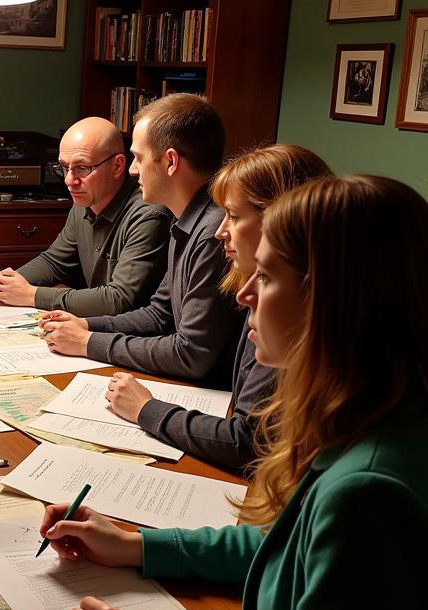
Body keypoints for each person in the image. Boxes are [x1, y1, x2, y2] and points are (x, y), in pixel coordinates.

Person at [41, 175, 428, 610]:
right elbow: (290, 548)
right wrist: (139, 544)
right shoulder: (386, 417)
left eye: (265, 276)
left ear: (332, 301)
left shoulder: (374, 496)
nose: (242, 294)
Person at [105, 144, 332, 470]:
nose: (220, 230)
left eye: (234, 216)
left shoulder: (291, 311)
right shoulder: (247, 281)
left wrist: (148, 410)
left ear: (280, 218)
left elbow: (248, 441)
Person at [42, 93, 241, 388]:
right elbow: (158, 314)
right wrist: (85, 325)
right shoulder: (185, 220)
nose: (133, 170)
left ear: (171, 161)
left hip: (208, 397)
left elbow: (191, 355)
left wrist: (88, 343)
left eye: (138, 158)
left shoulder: (213, 233)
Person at [0, 116, 170, 317]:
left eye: (82, 168)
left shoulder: (149, 214)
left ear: (117, 166)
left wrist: (32, 295)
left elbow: (119, 299)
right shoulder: (85, 202)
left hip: (133, 336)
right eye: (63, 167)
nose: (69, 181)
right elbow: (54, 262)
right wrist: (8, 281)